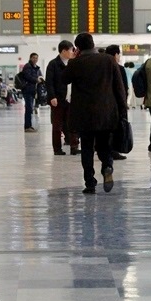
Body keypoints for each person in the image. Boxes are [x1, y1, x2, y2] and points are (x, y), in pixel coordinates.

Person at [62, 32, 126, 194]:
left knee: (87, 148)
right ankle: (107, 166)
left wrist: (73, 60)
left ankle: (90, 182)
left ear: (78, 48)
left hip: (84, 114)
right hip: (106, 112)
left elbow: (64, 79)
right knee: (104, 145)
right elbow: (119, 88)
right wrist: (122, 111)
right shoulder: (108, 60)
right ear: (93, 44)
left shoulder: (76, 63)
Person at [45, 40, 80, 155]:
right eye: (71, 50)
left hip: (71, 99)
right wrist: (52, 97)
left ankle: (74, 146)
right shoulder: (53, 64)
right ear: (64, 51)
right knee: (57, 125)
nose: (73, 52)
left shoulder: (73, 63)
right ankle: (57, 149)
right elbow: (49, 82)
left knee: (73, 124)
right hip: (58, 99)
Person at [105, 44, 128, 160]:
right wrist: (124, 104)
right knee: (116, 128)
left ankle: (105, 150)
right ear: (115, 54)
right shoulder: (120, 68)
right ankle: (114, 151)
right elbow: (123, 88)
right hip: (117, 104)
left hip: (104, 103)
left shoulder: (102, 68)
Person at [21, 52, 42, 132]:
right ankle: (27, 126)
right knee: (29, 108)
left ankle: (29, 125)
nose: (35, 59)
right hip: (27, 90)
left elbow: (39, 75)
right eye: (34, 58)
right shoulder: (28, 66)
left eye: (36, 58)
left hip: (33, 90)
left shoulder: (36, 67)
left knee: (30, 108)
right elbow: (27, 76)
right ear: (30, 58)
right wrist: (36, 80)